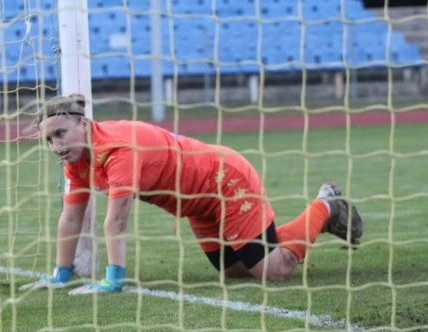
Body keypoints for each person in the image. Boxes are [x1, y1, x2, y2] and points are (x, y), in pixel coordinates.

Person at [19, 94, 362, 294]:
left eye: (61, 134)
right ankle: (304, 220)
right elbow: (71, 216)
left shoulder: (117, 149)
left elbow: (117, 220)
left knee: (274, 271)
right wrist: (60, 275)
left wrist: (114, 280)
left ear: (83, 124)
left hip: (225, 181)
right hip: (198, 206)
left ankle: (326, 206)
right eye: (49, 140)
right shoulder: (77, 159)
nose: (56, 146)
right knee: (236, 272)